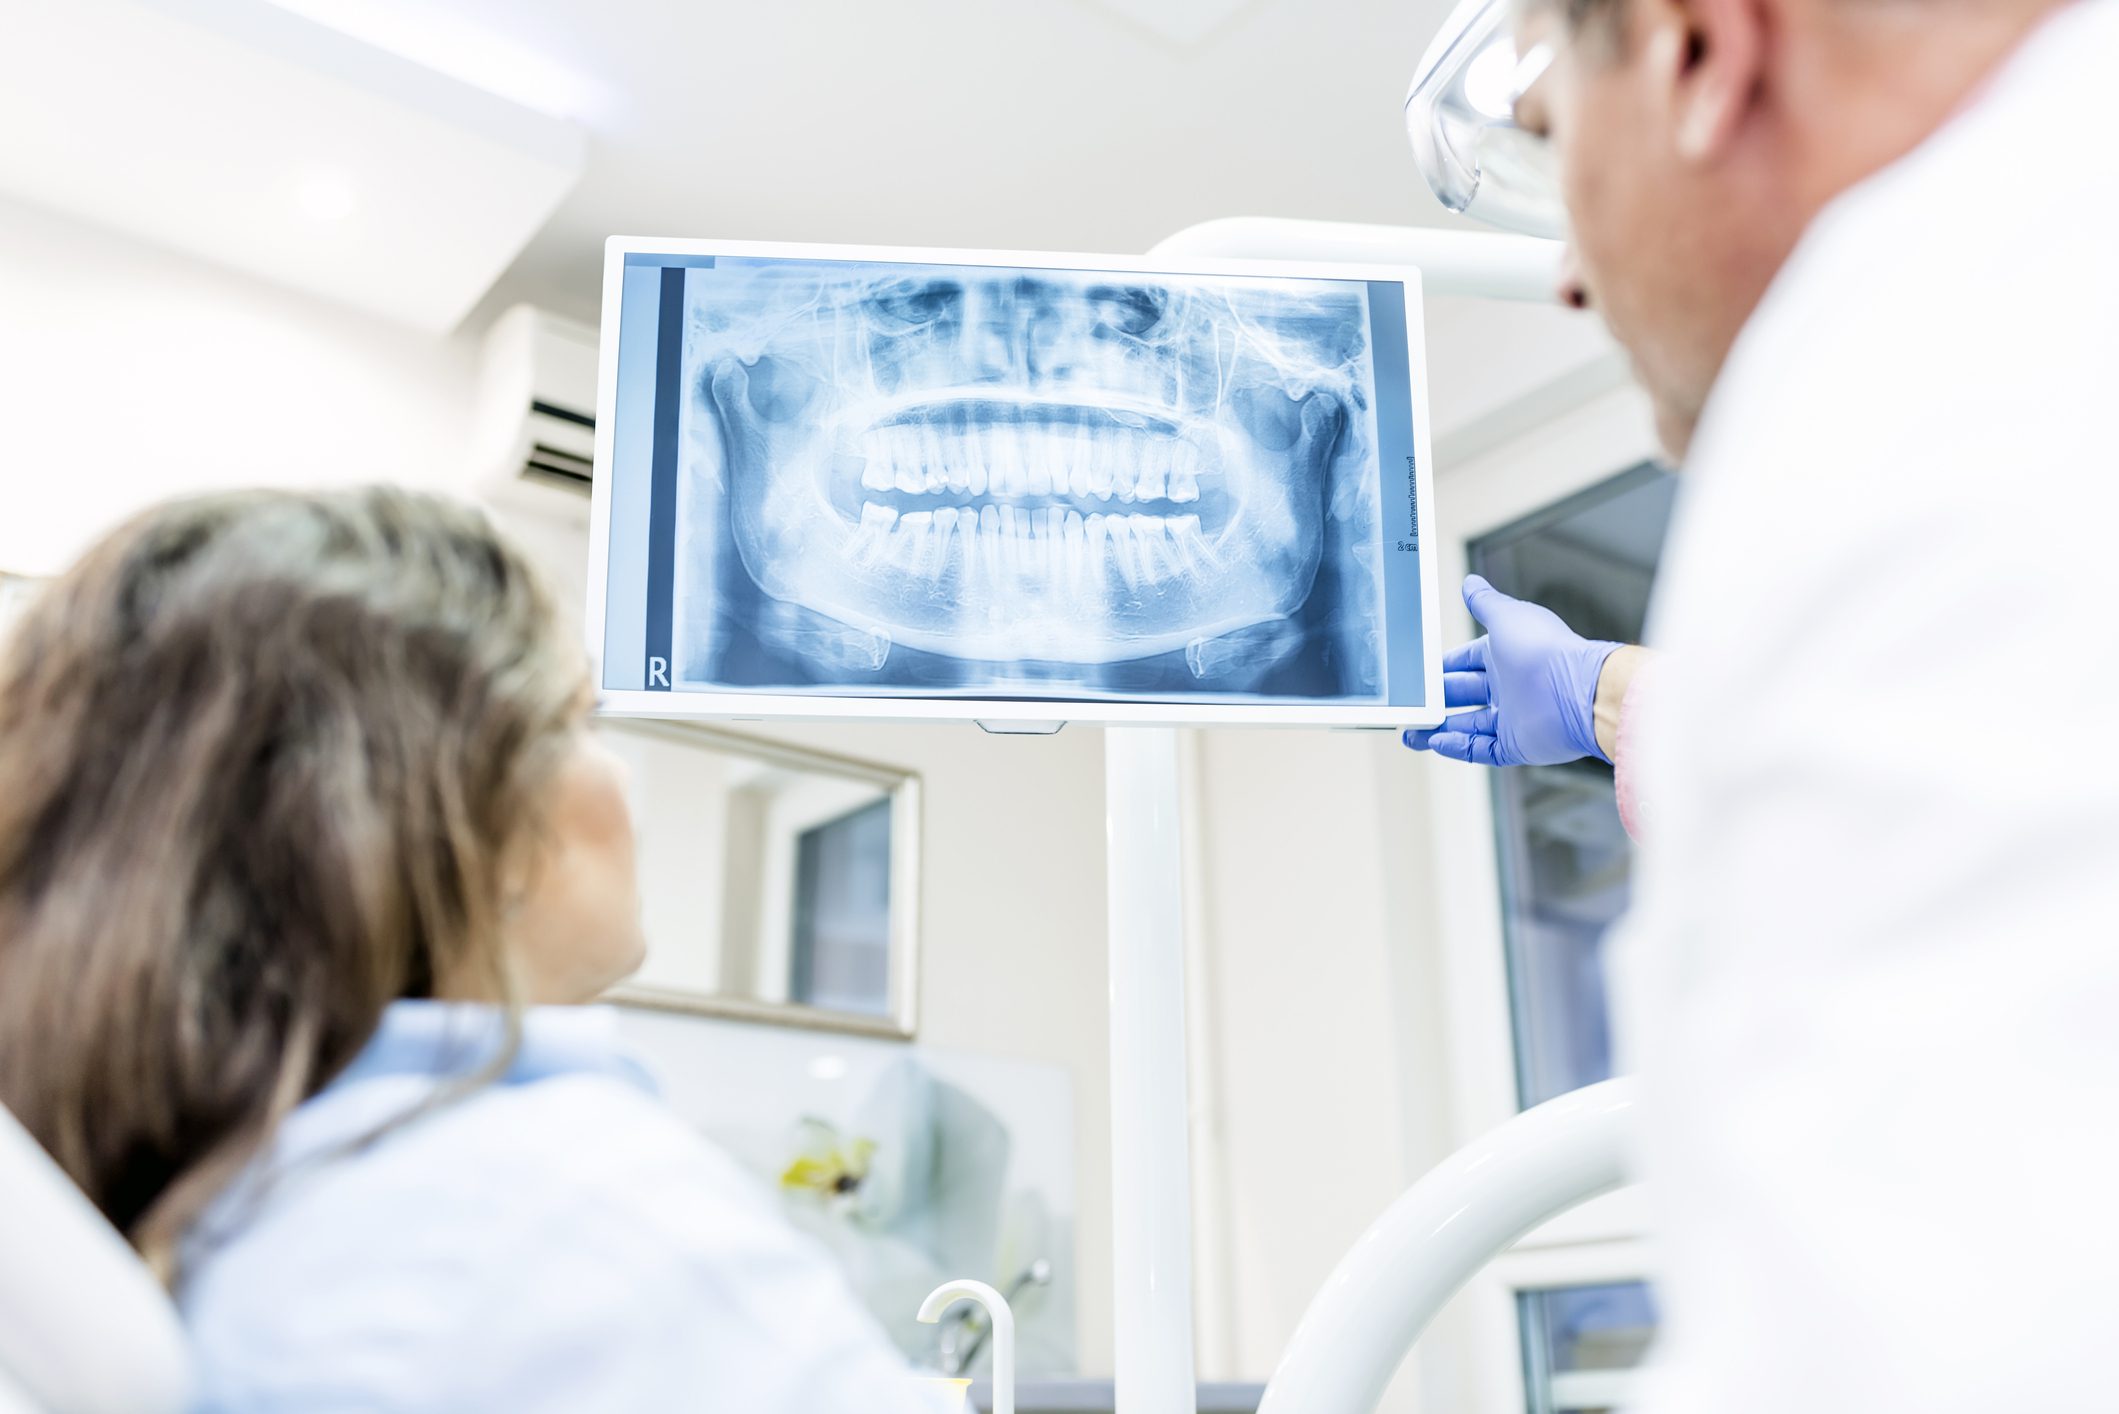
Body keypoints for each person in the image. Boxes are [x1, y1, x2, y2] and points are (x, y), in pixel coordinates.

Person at [1404, 0, 2119, 1408]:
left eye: (1550, 146)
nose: (1564, 276)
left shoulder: (1921, 416)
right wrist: (1604, 692)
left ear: (1691, 50)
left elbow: (1913, 1343)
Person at [0, 488, 940, 1412]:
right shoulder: (553, 1210)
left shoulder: (185, 1203)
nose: (617, 777)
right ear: (455, 813)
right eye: (578, 723)